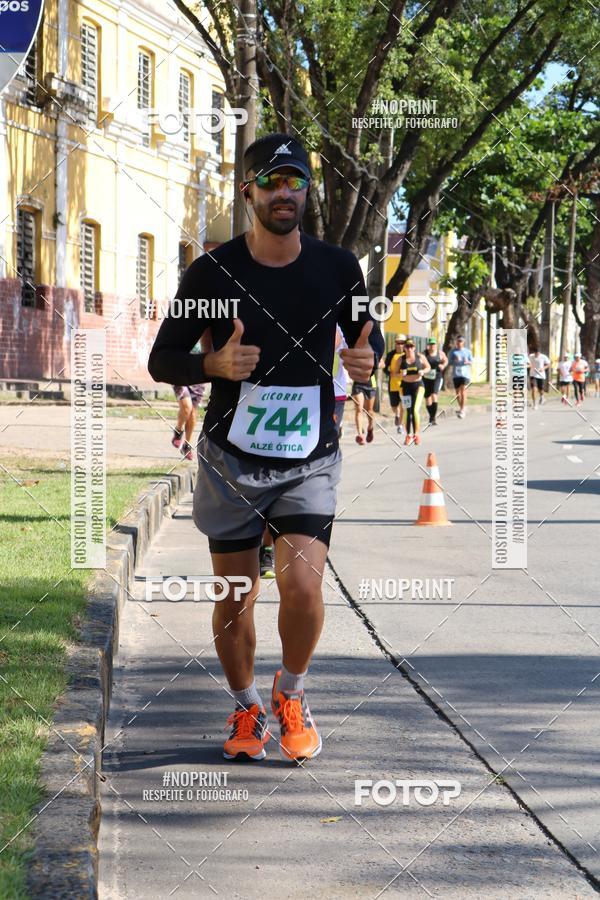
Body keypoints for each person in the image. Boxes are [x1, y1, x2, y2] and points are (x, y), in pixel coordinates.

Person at [148, 132, 384, 763]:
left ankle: (292, 692)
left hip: (309, 457)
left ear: (307, 191)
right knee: (236, 597)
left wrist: (367, 359)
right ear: (248, 191)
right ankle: (246, 705)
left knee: (303, 585)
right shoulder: (212, 272)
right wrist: (212, 364)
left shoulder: (339, 267)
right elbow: (161, 359)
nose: (285, 192)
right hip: (232, 461)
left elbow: (368, 334)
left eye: (296, 181)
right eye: (272, 182)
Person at [394, 339, 430, 445]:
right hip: (405, 387)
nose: (409, 349)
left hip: (418, 386)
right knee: (407, 411)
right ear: (404, 348)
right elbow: (394, 374)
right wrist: (401, 374)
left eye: (411, 346)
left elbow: (428, 367)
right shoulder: (401, 359)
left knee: (414, 410)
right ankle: (408, 435)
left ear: (414, 348)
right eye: (407, 346)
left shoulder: (420, 357)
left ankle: (416, 435)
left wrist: (423, 371)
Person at [171, 384, 205, 460]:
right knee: (187, 407)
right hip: (181, 379)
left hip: (198, 381)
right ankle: (178, 432)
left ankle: (186, 446)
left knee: (193, 413)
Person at [422, 337, 447, 425]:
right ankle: (431, 416)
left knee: (434, 395)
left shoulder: (440, 353)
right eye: (431, 344)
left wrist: (443, 365)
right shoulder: (424, 354)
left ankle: (433, 418)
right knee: (427, 398)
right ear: (428, 345)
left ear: (436, 345)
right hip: (426, 377)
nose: (432, 346)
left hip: (437, 376)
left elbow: (446, 360)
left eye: (434, 344)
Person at [384, 334, 406, 433]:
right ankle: (397, 414)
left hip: (405, 385)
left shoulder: (407, 354)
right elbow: (385, 368)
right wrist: (390, 373)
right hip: (393, 384)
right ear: (395, 343)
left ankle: (400, 425)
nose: (400, 345)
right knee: (394, 406)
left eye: (402, 343)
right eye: (398, 343)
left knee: (403, 406)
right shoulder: (391, 355)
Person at [447, 335, 473, 418]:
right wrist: (455, 360)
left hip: (465, 375)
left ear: (463, 342)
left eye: (461, 341)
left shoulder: (467, 351)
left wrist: (467, 361)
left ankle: (462, 410)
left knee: (463, 391)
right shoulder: (453, 352)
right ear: (456, 342)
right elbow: (449, 362)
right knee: (458, 394)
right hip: (456, 375)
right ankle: (462, 407)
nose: (459, 342)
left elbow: (471, 361)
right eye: (458, 341)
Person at [351, 373, 377, 444]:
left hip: (370, 384)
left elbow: (382, 366)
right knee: (359, 408)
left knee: (369, 411)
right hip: (357, 383)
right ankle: (360, 435)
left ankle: (370, 427)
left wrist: (376, 367)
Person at [333, 326, 348, 438]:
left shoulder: (343, 332)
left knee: (332, 434)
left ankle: (338, 426)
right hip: (315, 392)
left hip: (337, 393)